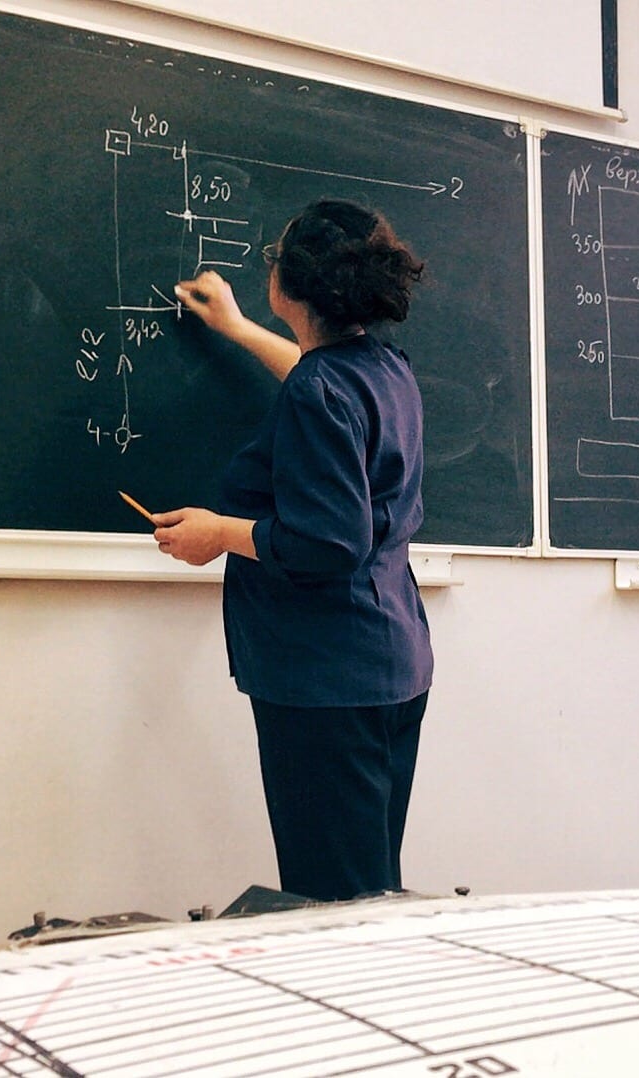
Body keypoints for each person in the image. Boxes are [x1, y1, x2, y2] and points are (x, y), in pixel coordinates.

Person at [153, 198, 433, 903]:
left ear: (294, 287)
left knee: (335, 903)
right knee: (368, 887)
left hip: (324, 679)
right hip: (387, 661)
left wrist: (220, 533)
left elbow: (327, 542)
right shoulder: (381, 367)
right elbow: (316, 379)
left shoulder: (322, 388)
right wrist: (240, 328)